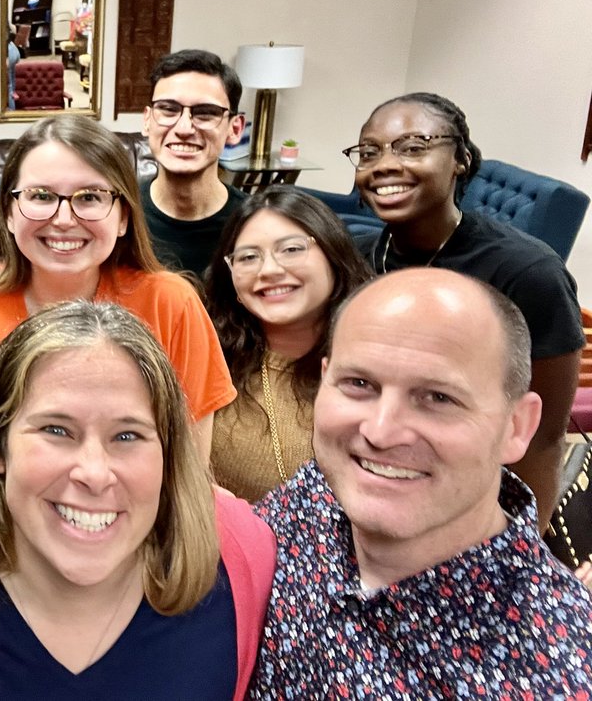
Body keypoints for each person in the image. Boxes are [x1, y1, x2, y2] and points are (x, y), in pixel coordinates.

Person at [250, 269, 592, 698]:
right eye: (359, 384)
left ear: (516, 426)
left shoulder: (560, 671)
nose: (380, 431)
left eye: (438, 398)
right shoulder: (314, 495)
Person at [0, 300, 275, 701]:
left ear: (167, 455)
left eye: (127, 436)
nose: (94, 473)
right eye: (56, 430)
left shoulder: (241, 554)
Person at [0, 114, 235, 459]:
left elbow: (190, 470)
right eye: (41, 196)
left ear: (124, 217)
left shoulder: (171, 305)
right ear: (9, 212)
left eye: (90, 197)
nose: (64, 219)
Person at [345, 92, 583, 521]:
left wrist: (520, 548)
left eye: (413, 147)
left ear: (460, 159)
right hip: (377, 481)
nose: (383, 164)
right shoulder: (357, 259)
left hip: (469, 505)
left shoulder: (529, 273)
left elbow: (544, 438)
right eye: (368, 152)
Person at [203, 186, 370, 501]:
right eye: (249, 257)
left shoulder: (378, 365)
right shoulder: (212, 359)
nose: (270, 270)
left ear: (334, 256)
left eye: (292, 249)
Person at [140, 49, 247, 276]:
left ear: (234, 128)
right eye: (168, 110)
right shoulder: (117, 215)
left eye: (205, 113)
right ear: (147, 120)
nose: (184, 129)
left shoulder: (251, 225)